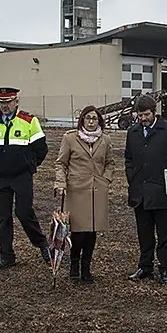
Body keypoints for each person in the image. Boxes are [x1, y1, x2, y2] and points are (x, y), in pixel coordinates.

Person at [0, 86, 50, 269]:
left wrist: (29, 165)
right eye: (2, 102)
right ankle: (7, 256)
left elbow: (41, 149)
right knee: (3, 218)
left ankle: (43, 245)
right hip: (1, 178)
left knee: (24, 212)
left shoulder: (29, 121)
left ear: (16, 102)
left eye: (8, 102)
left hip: (21, 176)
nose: (5, 105)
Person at [124, 95, 167, 285]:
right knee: (144, 232)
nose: (143, 118)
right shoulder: (133, 132)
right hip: (139, 191)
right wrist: (132, 177)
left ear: (154, 111)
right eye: (140, 115)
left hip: (161, 190)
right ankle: (145, 266)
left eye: (146, 115)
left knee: (164, 233)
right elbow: (128, 158)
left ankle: (166, 268)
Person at [54, 105, 114, 283]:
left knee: (92, 231)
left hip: (97, 190)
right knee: (78, 230)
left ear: (99, 121)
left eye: (94, 118)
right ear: (82, 120)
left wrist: (105, 179)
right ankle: (74, 264)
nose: (90, 122)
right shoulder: (70, 138)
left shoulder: (105, 140)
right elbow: (61, 163)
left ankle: (86, 267)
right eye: (87, 118)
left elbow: (110, 163)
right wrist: (60, 183)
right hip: (76, 190)